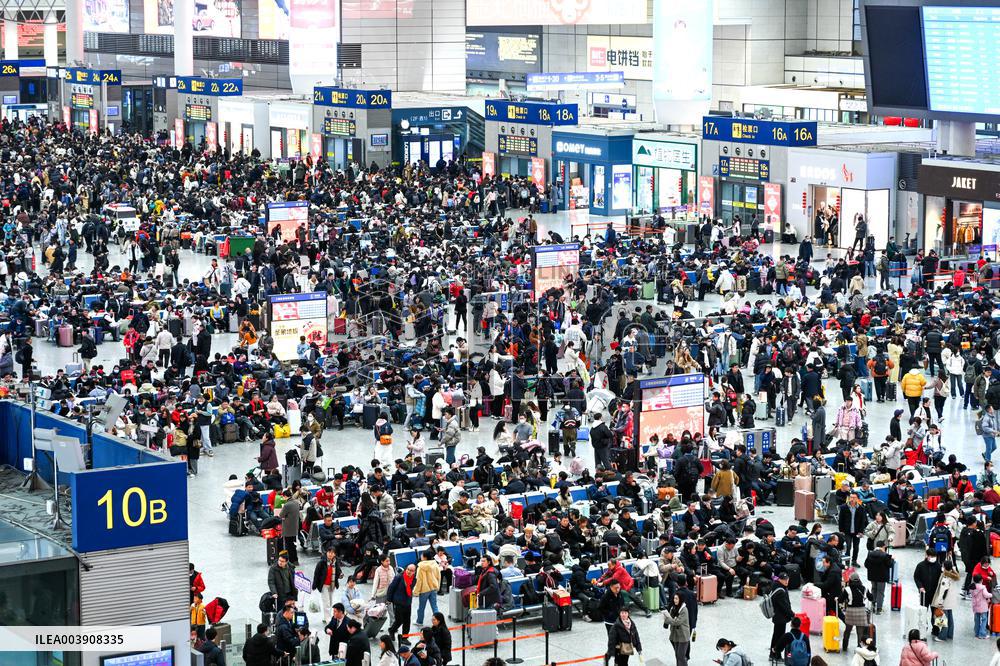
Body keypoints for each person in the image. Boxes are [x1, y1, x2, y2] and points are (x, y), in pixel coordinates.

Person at [313, 547, 343, 621]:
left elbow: (338, 571)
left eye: (332, 553)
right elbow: (316, 574)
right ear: (326, 553)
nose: (330, 554)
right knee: (326, 603)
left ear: (335, 554)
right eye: (329, 552)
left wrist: (340, 574)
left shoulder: (336, 562)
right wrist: (314, 585)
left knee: (330, 602)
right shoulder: (321, 562)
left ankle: (325, 617)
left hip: (332, 585)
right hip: (324, 585)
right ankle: (328, 619)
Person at [387, 563, 416, 639]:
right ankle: (392, 630)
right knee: (399, 620)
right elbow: (391, 588)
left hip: (408, 602)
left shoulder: (414, 579)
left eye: (411, 570)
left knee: (407, 621)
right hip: (398, 602)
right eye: (408, 569)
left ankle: (405, 637)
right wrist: (389, 599)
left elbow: (410, 589)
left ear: (414, 572)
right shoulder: (399, 577)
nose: (409, 571)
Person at [661, 592, 691, 666]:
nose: (675, 600)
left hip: (683, 636)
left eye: (677, 598)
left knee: (681, 656)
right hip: (675, 636)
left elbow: (677, 622)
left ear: (680, 599)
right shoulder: (673, 608)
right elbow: (671, 618)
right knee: (677, 656)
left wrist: (667, 620)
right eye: (674, 598)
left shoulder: (684, 610)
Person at [414, 549, 442, 625]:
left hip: (424, 590)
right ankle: (438, 621)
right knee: (434, 606)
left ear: (425, 557)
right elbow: (438, 576)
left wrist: (416, 591)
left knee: (421, 607)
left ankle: (419, 621)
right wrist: (438, 586)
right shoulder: (435, 564)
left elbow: (419, 581)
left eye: (422, 555)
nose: (421, 556)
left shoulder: (420, 567)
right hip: (433, 588)